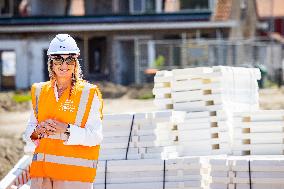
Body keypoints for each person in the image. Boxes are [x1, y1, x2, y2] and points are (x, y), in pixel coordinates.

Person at [24, 34, 103, 189]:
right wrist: (36, 131)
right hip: (42, 177)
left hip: (73, 179)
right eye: (59, 59)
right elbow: (28, 135)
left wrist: (66, 129)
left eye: (69, 59)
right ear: (51, 62)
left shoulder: (88, 93)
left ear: (75, 63)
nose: (64, 64)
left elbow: (96, 136)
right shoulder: (40, 92)